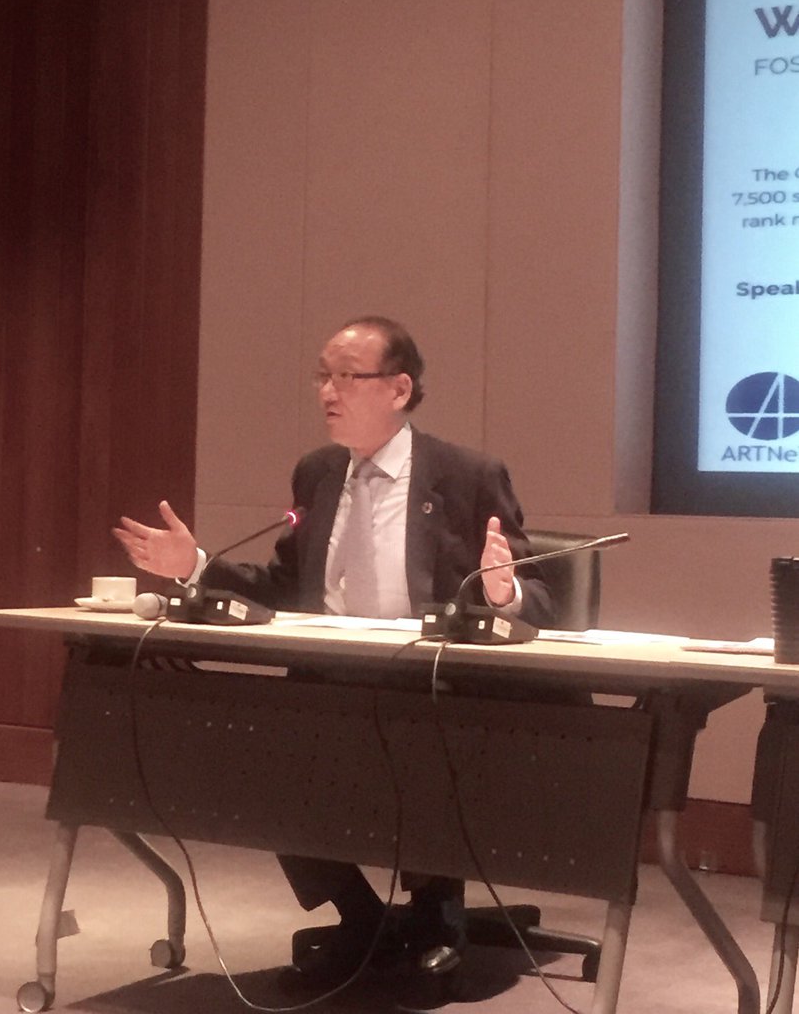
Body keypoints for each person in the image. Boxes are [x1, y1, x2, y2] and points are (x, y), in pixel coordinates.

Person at [115, 315, 553, 985]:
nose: (327, 391)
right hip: (327, 679)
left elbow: (542, 602)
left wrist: (503, 593)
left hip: (434, 684)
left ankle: (438, 915)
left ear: (399, 388)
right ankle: (359, 915)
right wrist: (195, 565)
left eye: (347, 376)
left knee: (423, 740)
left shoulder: (466, 475)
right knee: (259, 743)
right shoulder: (318, 474)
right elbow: (286, 586)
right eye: (322, 375)